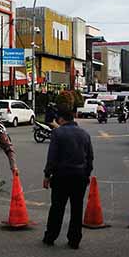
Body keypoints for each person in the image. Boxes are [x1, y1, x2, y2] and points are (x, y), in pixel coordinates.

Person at [42, 105, 94, 248]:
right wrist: (86, 175)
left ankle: (50, 236)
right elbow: (90, 158)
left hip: (61, 176)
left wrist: (47, 175)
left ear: (61, 119)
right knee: (77, 209)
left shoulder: (57, 133)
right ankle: (74, 240)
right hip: (79, 176)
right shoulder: (85, 134)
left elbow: (52, 157)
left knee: (57, 208)